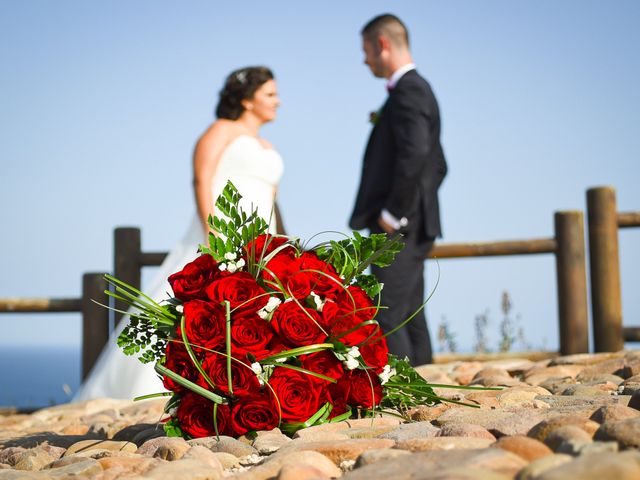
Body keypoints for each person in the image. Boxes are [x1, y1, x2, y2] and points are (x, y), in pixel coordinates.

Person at [74, 66, 284, 401]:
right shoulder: (221, 130)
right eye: (270, 95)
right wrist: (213, 231)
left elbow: (271, 198)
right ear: (247, 100)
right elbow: (202, 179)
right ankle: (157, 385)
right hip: (221, 229)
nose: (278, 102)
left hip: (260, 235)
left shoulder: (268, 145)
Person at [349, 14, 447, 366]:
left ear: (383, 45)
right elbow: (438, 165)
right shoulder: (414, 90)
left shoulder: (410, 90)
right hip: (414, 224)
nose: (365, 59)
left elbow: (418, 154)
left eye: (366, 51)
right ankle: (428, 397)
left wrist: (396, 212)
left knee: (387, 316)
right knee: (410, 315)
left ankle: (404, 402)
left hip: (400, 226)